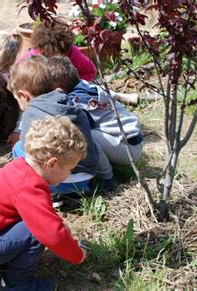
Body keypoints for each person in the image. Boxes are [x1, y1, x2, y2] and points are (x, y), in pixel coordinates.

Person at [0, 116, 87, 290]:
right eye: (70, 169)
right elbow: (51, 234)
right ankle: (16, 284)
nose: (69, 174)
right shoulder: (30, 187)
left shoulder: (18, 169)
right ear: (52, 163)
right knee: (36, 232)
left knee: (37, 224)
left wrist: (56, 225)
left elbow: (43, 216)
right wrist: (77, 254)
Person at [8, 56, 114, 202]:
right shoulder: (71, 102)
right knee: (91, 143)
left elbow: (29, 150)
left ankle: (39, 190)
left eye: (16, 99)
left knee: (19, 147)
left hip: (56, 182)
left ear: (23, 95)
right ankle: (107, 179)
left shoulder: (31, 112)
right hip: (85, 178)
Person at [47, 56, 144, 165]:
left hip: (128, 150)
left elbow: (85, 126)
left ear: (57, 87)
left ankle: (106, 176)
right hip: (134, 141)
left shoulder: (78, 101)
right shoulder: (85, 86)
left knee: (83, 136)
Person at [17, 22, 96, 81]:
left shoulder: (74, 55)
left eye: (60, 55)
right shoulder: (33, 57)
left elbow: (90, 71)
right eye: (47, 55)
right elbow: (17, 71)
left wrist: (74, 84)